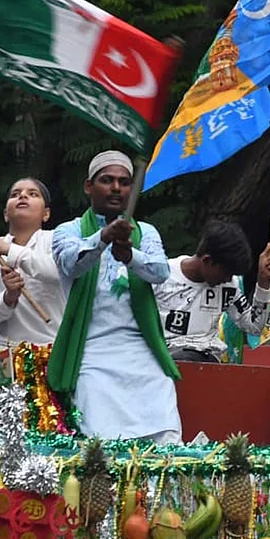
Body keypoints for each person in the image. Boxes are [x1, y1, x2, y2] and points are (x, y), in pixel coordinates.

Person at [47, 151, 181, 443]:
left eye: (124, 182)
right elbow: (71, 262)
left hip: (141, 350)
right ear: (88, 186)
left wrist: (131, 256)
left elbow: (160, 272)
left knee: (164, 432)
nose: (116, 188)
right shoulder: (67, 230)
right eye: (107, 180)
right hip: (92, 350)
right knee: (100, 440)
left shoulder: (145, 232)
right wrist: (103, 237)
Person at [154, 220, 270, 363]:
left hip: (210, 360)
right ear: (207, 261)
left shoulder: (229, 287)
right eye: (226, 273)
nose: (228, 279)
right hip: (167, 359)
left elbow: (255, 327)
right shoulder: (161, 277)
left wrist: (263, 282)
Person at [0, 178, 65, 346]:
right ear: (6, 214)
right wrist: (8, 297)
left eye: (32, 194)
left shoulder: (58, 240)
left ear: (46, 214)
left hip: (48, 348)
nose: (23, 196)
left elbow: (58, 272)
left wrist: (8, 250)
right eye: (15, 194)